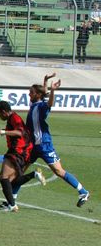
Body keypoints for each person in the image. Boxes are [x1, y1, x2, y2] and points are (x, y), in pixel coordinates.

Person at [16, 73, 90, 207]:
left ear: (37, 95)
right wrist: (45, 82)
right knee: (20, 170)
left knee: (59, 171)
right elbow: (43, 93)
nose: (29, 95)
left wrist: (53, 91)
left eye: (31, 93)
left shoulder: (41, 106)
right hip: (33, 146)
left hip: (44, 145)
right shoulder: (34, 104)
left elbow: (49, 103)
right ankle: (11, 201)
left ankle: (83, 192)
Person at [0, 100, 46, 212]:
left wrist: (2, 132)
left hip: (18, 150)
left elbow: (19, 133)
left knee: (3, 177)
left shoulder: (15, 118)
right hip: (22, 151)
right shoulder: (12, 118)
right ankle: (34, 174)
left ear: (4, 112)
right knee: (11, 181)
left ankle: (12, 205)